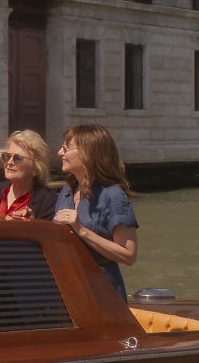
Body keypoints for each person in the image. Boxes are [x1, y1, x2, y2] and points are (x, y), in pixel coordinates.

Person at [52, 124, 138, 302]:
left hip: (102, 293)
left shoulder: (113, 195)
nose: (60, 153)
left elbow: (129, 256)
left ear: (87, 154)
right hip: (67, 288)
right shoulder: (67, 190)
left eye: (66, 148)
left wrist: (81, 230)